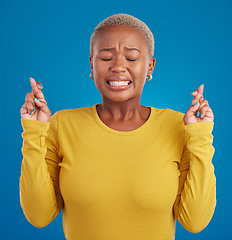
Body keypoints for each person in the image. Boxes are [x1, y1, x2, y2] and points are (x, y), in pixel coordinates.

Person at [20, 13, 216, 240]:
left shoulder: (179, 127)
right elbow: (38, 216)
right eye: (105, 57)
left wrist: (201, 135)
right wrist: (33, 133)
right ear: (91, 64)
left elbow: (195, 222)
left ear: (150, 67)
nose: (118, 67)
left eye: (131, 58)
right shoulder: (62, 125)